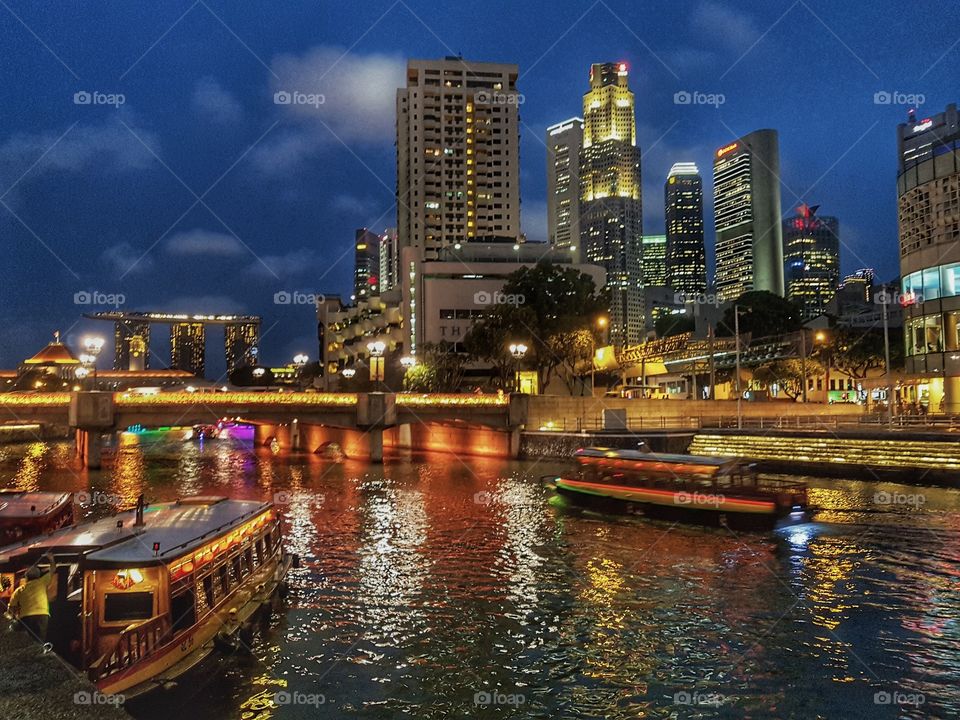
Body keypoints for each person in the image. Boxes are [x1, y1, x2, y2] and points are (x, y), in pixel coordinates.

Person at [8, 551, 56, 641]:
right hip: (42, 615)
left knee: (28, 640)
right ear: (38, 576)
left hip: (26, 617)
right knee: (39, 640)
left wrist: (13, 617)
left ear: (26, 578)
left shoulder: (20, 590)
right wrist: (51, 559)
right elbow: (53, 569)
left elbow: (11, 607)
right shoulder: (42, 582)